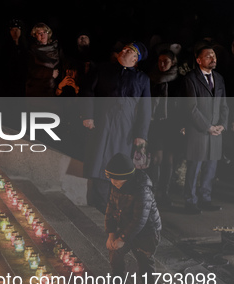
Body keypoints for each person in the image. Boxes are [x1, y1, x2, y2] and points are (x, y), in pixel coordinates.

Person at [82, 41, 151, 213]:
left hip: (126, 126)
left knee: (119, 162)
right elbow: (88, 91)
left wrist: (141, 134)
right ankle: (99, 202)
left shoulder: (142, 79)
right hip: (103, 120)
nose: (123, 51)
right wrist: (88, 115)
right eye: (124, 48)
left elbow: (145, 108)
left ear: (136, 58)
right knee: (99, 158)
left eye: (129, 50)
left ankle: (116, 205)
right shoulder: (102, 69)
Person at [104, 153, 162, 284]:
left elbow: (140, 220)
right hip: (125, 227)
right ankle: (117, 283)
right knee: (114, 252)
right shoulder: (116, 185)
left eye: (116, 178)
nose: (113, 182)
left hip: (147, 232)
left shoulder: (142, 189)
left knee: (145, 262)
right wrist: (111, 234)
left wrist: (122, 238)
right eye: (111, 178)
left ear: (127, 176)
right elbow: (110, 209)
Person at [182, 44, 229, 214]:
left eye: (214, 56)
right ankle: (190, 201)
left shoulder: (219, 78)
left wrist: (222, 125)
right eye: (208, 56)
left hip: (216, 130)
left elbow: (224, 104)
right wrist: (207, 127)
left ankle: (205, 198)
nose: (213, 59)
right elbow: (191, 107)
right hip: (199, 130)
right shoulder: (191, 79)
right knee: (195, 166)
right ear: (198, 59)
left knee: (211, 166)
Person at [147, 49, 184, 207]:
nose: (162, 64)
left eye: (166, 61)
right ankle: (152, 192)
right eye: (160, 60)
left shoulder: (179, 80)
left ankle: (164, 193)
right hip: (156, 123)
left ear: (173, 62)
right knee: (156, 159)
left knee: (169, 160)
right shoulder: (152, 78)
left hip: (172, 124)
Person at [26, 23, 60, 97]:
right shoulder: (32, 51)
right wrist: (50, 73)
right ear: (35, 35)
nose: (43, 35)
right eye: (39, 33)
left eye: (45, 32)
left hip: (55, 90)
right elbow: (32, 70)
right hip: (38, 91)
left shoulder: (56, 49)